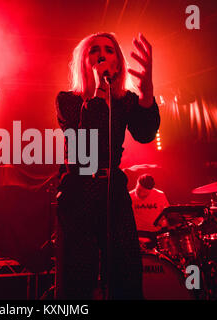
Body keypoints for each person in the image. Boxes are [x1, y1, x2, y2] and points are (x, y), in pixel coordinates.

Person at [55, 32, 160, 299]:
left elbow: (145, 133)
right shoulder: (68, 100)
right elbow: (84, 149)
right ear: (84, 60)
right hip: (79, 191)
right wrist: (99, 93)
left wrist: (147, 93)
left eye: (109, 50)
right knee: (77, 278)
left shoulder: (125, 101)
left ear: (118, 62)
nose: (102, 54)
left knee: (126, 273)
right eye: (94, 49)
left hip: (113, 190)